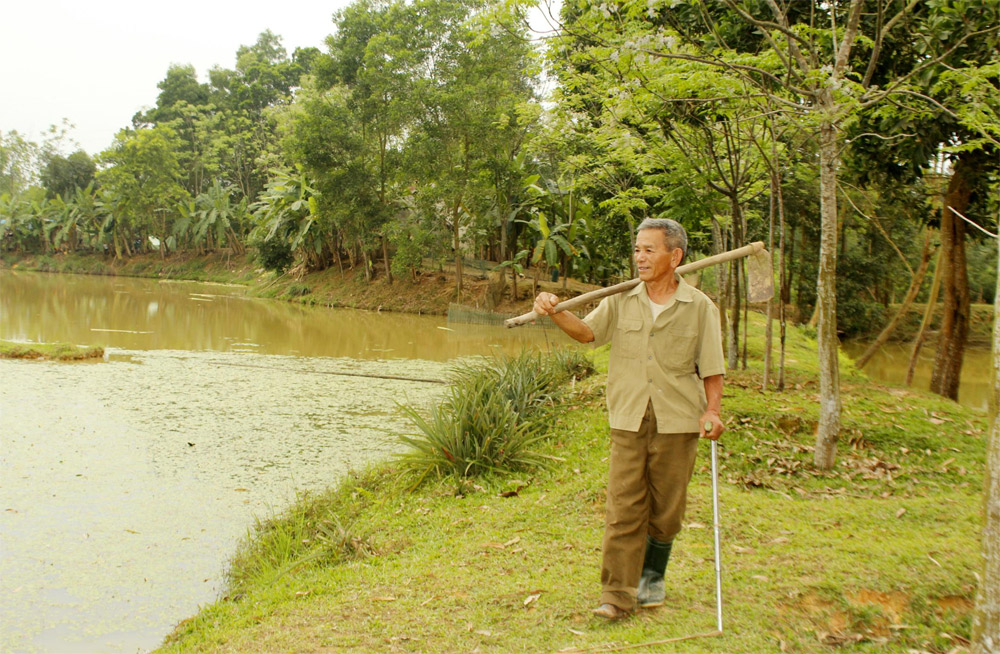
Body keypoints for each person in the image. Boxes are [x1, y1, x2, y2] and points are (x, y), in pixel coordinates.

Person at [533, 217, 725, 620]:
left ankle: (652, 574)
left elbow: (711, 366)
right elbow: (587, 333)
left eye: (648, 250)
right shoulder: (622, 299)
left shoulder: (700, 307)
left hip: (678, 420)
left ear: (675, 256)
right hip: (628, 417)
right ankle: (616, 595)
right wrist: (553, 312)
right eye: (637, 249)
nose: (639, 257)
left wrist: (712, 411)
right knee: (623, 507)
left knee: (667, 509)